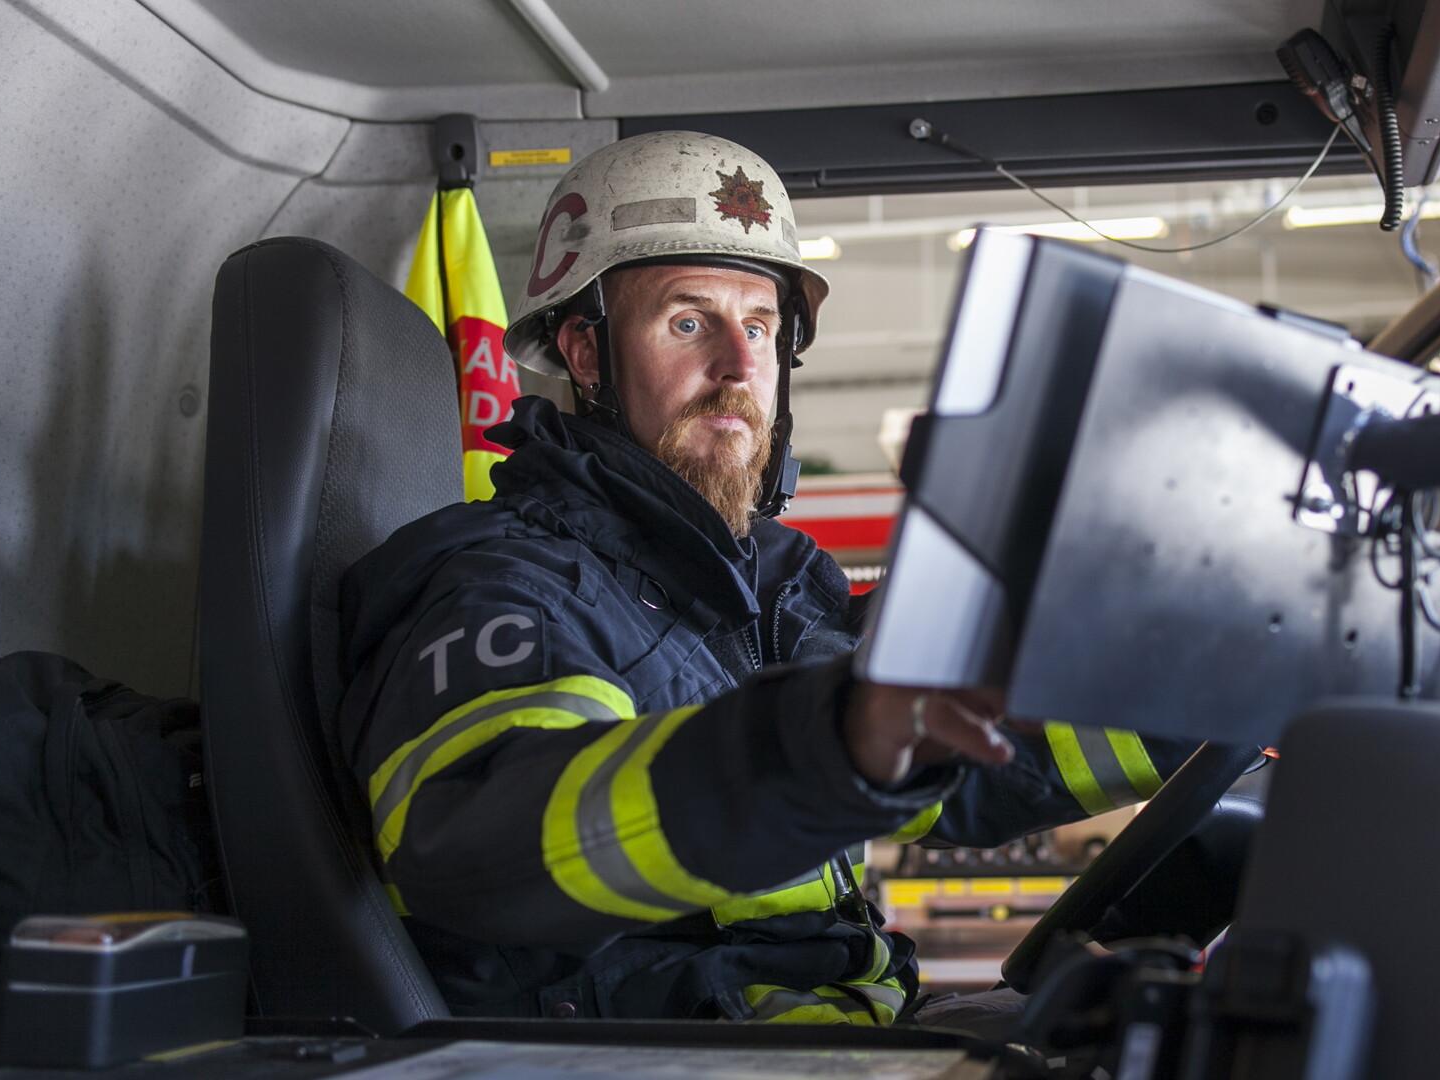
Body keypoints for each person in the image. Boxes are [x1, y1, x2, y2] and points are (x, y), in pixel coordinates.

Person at [335, 131, 1193, 1029]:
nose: (741, 369)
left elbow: (963, 757)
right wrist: (820, 743)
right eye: (688, 322)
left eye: (759, 327)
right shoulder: (509, 585)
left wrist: (1197, 681)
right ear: (587, 355)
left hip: (846, 1028)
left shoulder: (770, 592)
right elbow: (488, 848)